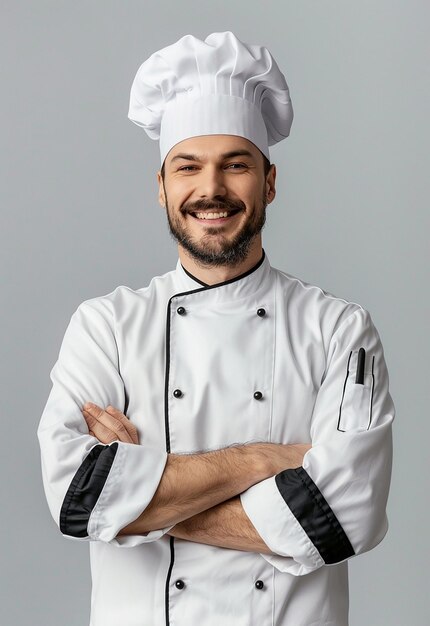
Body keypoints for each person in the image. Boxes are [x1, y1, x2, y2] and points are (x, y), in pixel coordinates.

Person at [37, 31, 395, 626]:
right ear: (162, 187)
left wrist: (140, 500)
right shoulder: (106, 326)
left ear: (269, 182)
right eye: (188, 167)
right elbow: (77, 499)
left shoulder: (338, 329)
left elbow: (341, 518)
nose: (212, 190)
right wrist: (262, 459)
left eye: (236, 165)